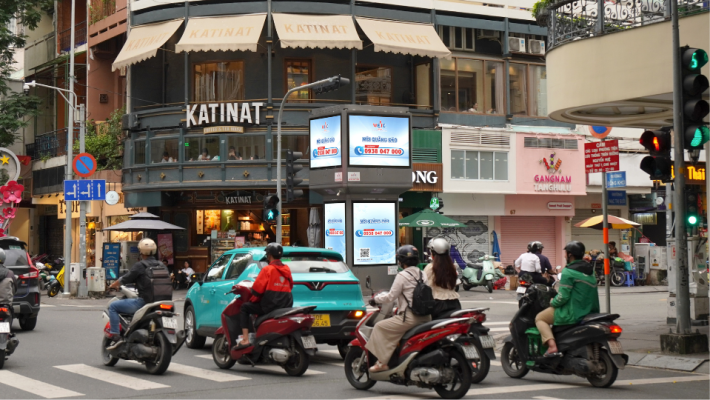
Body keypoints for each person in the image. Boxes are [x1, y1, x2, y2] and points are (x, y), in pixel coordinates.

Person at [367, 245, 432, 373]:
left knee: (379, 327)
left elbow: (391, 297)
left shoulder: (402, 275)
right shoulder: (422, 273)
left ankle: (382, 362)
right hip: (426, 317)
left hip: (410, 318)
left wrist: (375, 299)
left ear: (401, 261)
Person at [535, 241, 599, 356]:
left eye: (565, 253)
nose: (564, 256)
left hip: (573, 312)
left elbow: (562, 297)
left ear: (570, 255)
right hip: (590, 311)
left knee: (540, 318)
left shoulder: (568, 271)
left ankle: (552, 347)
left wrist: (552, 302)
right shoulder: (590, 270)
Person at [234, 242, 293, 350]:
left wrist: (252, 300)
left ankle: (245, 339)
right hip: (286, 305)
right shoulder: (287, 269)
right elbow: (291, 285)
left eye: (267, 254)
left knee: (245, 308)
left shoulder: (267, 269)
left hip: (270, 305)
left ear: (269, 255)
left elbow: (257, 290)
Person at [106, 238, 164, 348]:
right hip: (163, 301)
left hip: (144, 302)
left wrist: (113, 285)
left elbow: (125, 278)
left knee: (113, 306)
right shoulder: (161, 265)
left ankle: (115, 335)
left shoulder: (140, 265)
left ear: (141, 251)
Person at [424, 238, 461, 319]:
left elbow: (424, 284)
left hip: (437, 304)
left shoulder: (430, 267)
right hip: (455, 303)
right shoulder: (453, 267)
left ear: (433, 253)